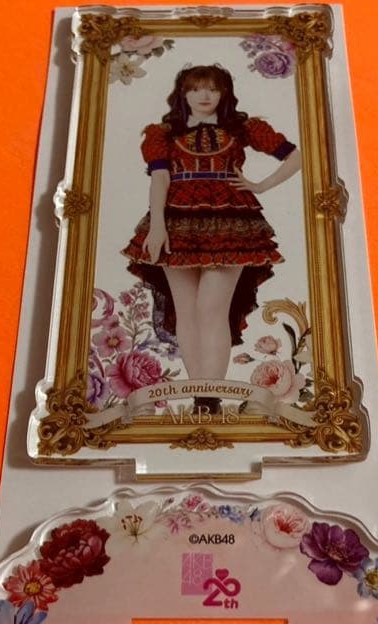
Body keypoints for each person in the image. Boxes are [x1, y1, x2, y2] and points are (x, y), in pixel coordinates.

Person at [122, 64, 301, 413]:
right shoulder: (163, 134)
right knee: (186, 311)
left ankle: (211, 395)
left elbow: (297, 156)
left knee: (210, 308)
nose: (204, 95)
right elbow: (160, 180)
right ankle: (203, 398)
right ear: (183, 94)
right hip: (176, 221)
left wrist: (261, 185)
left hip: (230, 220)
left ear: (224, 93)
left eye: (213, 89)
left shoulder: (243, 129)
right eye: (195, 89)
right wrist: (157, 227)